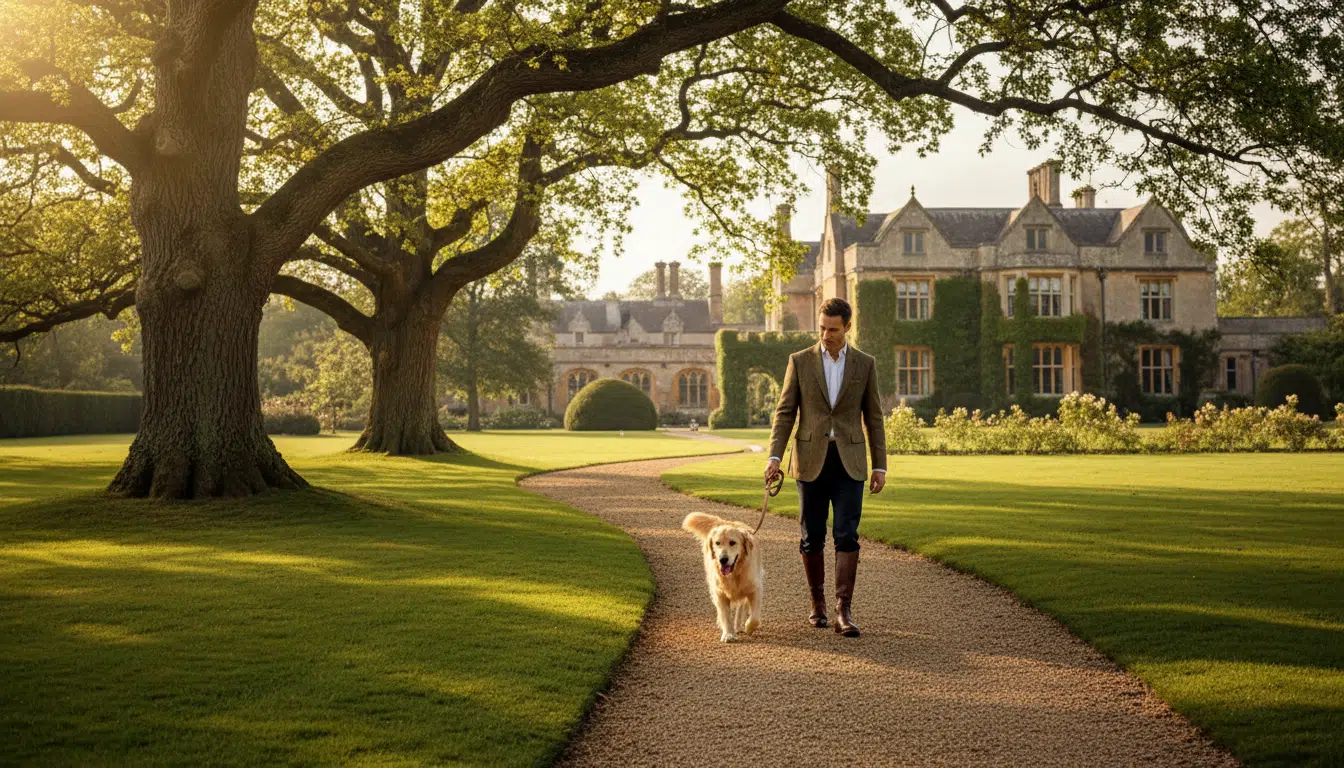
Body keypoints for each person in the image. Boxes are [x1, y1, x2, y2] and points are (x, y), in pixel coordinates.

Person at [765, 298, 886, 637]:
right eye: (821, 328)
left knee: (847, 534)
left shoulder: (865, 364)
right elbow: (785, 412)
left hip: (850, 461)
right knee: (811, 536)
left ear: (848, 327)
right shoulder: (799, 361)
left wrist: (881, 466)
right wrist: (774, 456)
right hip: (809, 460)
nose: (826, 334)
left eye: (833, 329)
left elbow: (874, 417)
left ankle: (842, 610)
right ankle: (817, 604)